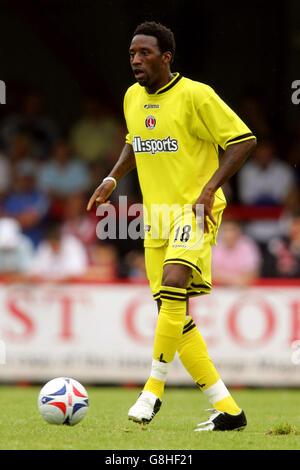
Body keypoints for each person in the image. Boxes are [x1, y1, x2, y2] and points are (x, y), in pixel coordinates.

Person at [87, 21, 256, 432]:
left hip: (195, 212)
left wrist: (209, 189)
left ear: (166, 57)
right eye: (131, 54)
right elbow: (135, 141)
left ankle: (153, 389)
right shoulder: (132, 97)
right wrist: (112, 177)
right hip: (156, 218)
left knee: (174, 282)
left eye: (145, 53)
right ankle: (229, 411)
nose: (136, 61)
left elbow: (244, 140)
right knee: (171, 313)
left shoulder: (196, 95)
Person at [212, 219, 261, 287]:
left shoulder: (248, 245)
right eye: (226, 230)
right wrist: (233, 280)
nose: (229, 234)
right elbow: (212, 273)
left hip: (245, 289)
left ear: (238, 231)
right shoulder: (216, 246)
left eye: (232, 230)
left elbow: (253, 273)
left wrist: (225, 278)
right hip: (220, 290)